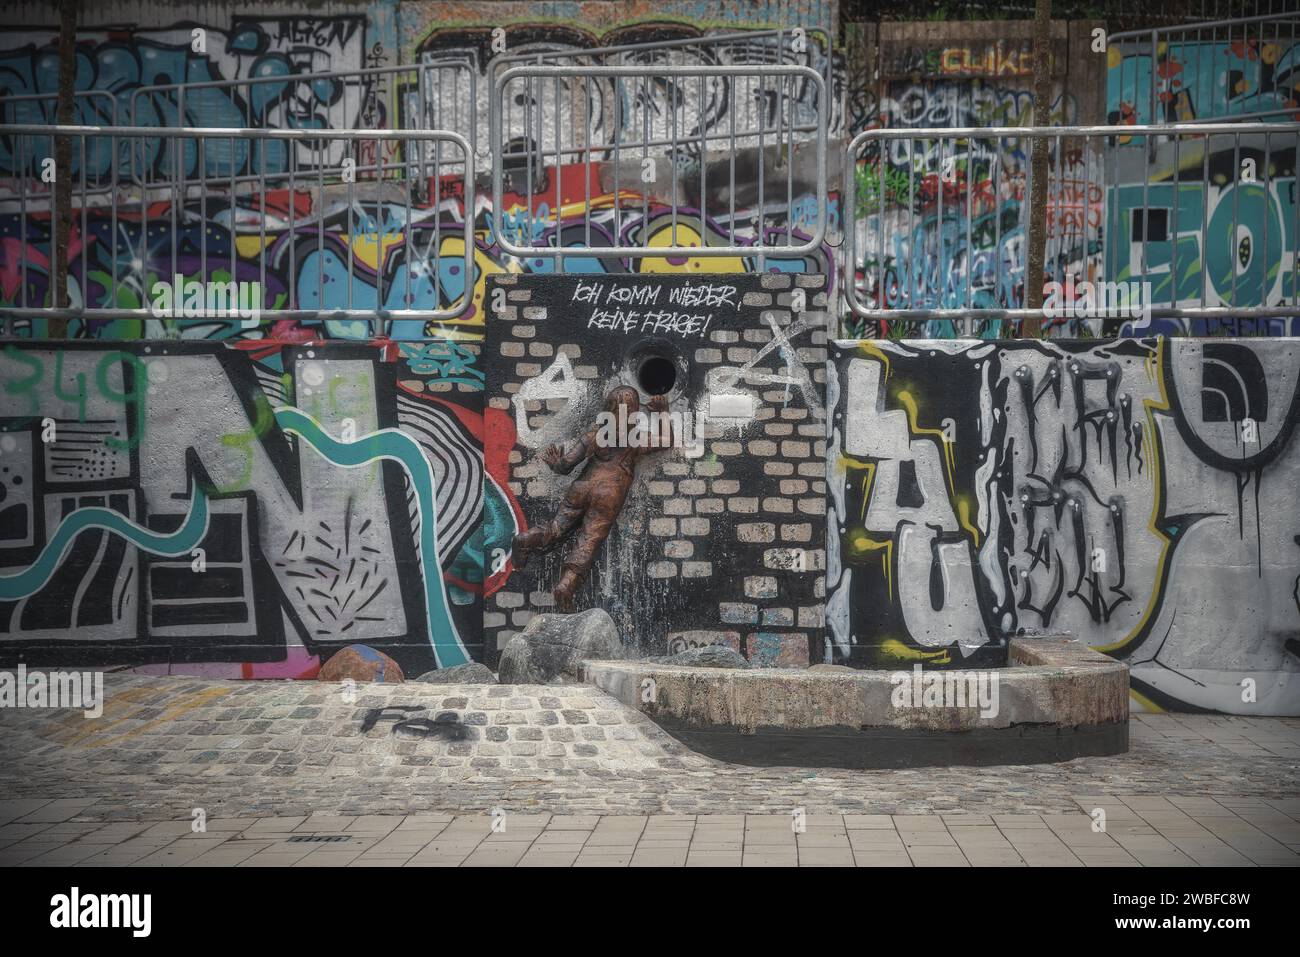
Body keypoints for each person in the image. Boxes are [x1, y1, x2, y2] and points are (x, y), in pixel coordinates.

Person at [511, 385, 673, 609]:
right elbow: (666, 440)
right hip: (609, 495)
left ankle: (526, 540)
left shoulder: (595, 435)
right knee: (588, 540)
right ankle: (566, 585)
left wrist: (554, 462)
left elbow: (566, 466)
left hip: (582, 487)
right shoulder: (635, 439)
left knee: (556, 528)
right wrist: (662, 411)